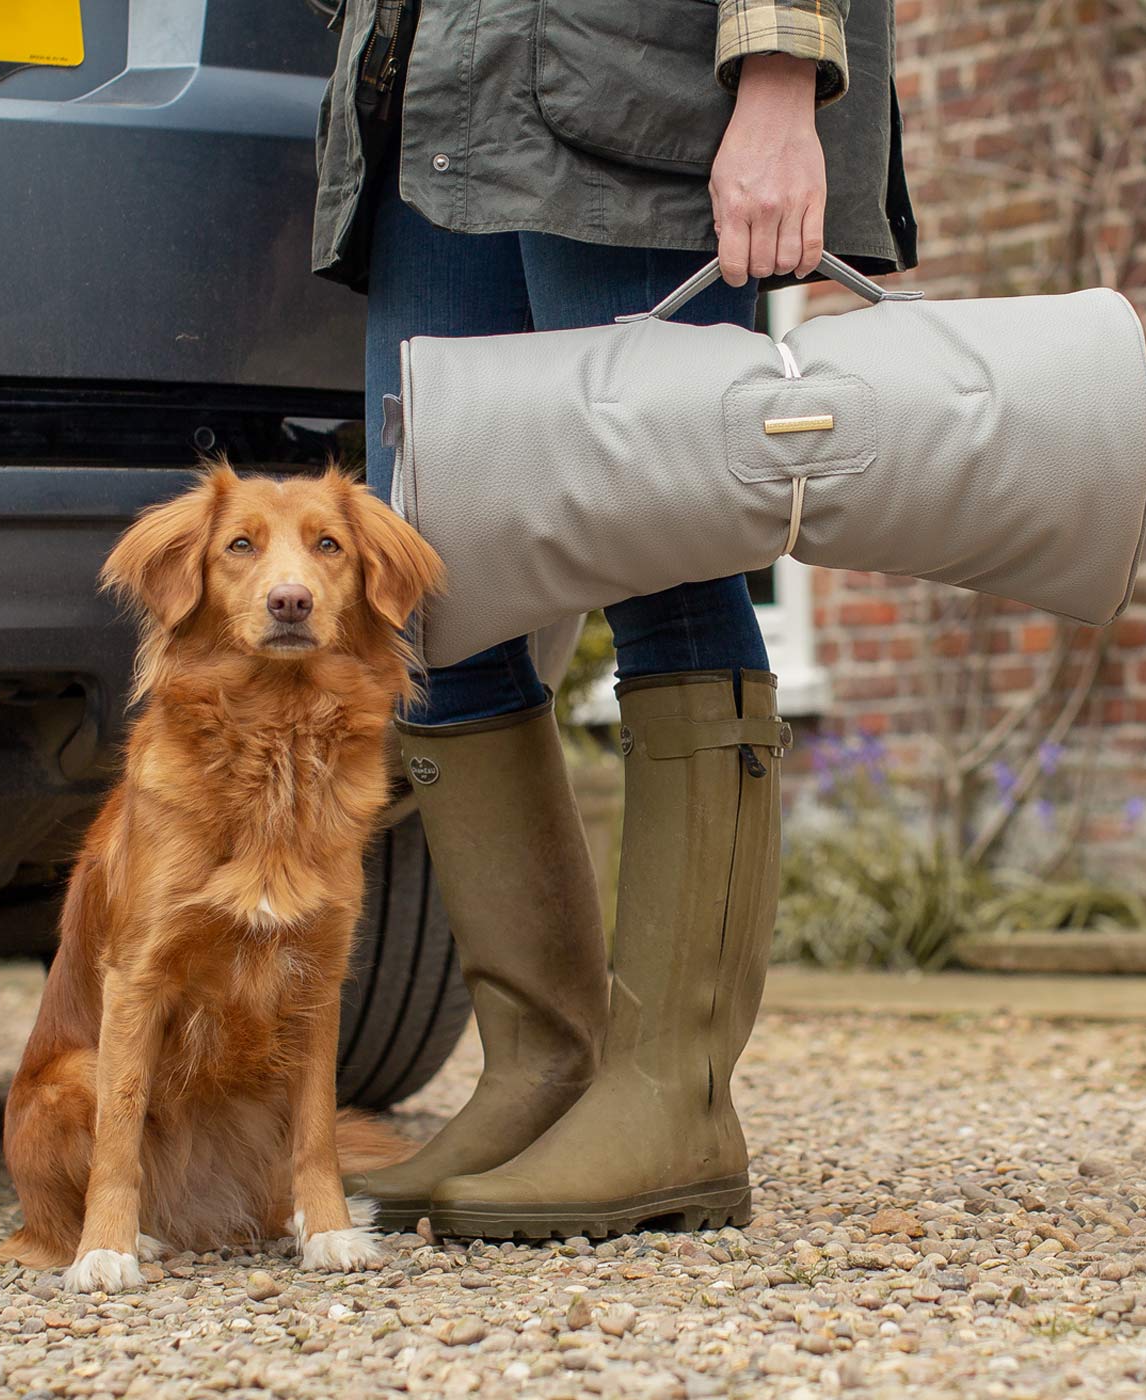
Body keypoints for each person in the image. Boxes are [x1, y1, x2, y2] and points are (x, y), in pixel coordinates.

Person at [311, 0, 917, 1240]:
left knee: (671, 557)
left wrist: (778, 76)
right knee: (432, 580)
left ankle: (673, 1099)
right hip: (434, 99)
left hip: (629, 82)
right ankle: (543, 1070)